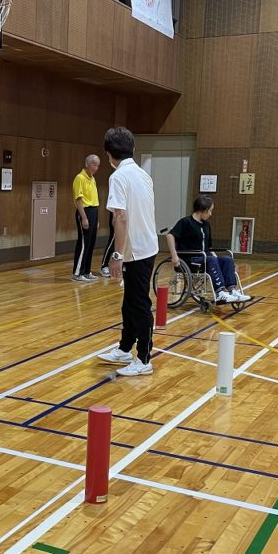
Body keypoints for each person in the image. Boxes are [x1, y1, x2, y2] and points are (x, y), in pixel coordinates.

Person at [97, 127, 159, 377]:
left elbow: (120, 218)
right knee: (130, 302)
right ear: (131, 148)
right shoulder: (143, 174)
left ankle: (144, 358)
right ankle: (125, 348)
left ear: (109, 155)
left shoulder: (118, 177)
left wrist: (117, 255)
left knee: (139, 304)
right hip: (148, 246)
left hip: (136, 251)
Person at [166, 196, 250, 304]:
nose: (211, 214)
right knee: (211, 260)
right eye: (210, 210)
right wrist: (174, 256)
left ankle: (232, 290)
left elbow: (208, 247)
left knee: (227, 259)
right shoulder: (185, 222)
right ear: (203, 210)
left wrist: (214, 256)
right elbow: (170, 236)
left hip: (205, 257)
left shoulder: (206, 225)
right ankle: (219, 293)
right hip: (190, 259)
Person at [71, 154, 101, 282]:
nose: (96, 168)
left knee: (91, 243)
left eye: (98, 165)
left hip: (94, 211)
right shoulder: (80, 178)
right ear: (87, 164)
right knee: (83, 243)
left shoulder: (92, 178)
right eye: (94, 164)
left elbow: (93, 199)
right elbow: (78, 199)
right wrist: (84, 217)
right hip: (84, 211)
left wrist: (96, 219)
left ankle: (87, 271)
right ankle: (78, 273)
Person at [98, 211, 115, 277]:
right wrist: (114, 216)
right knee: (112, 241)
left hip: (125, 216)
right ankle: (104, 265)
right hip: (117, 216)